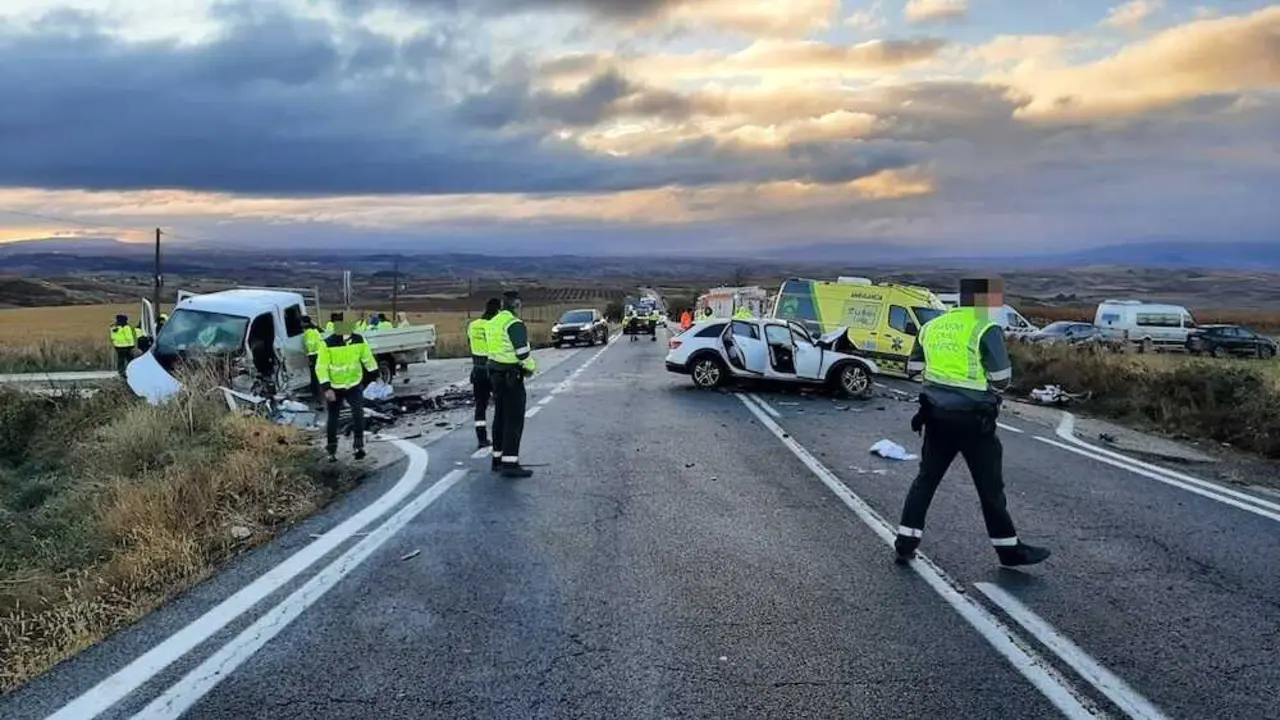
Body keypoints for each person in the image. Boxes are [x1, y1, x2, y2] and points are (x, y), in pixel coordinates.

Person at [893, 277, 1049, 567]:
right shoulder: (985, 329)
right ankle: (1008, 550)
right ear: (987, 303)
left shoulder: (931, 327)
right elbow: (1002, 380)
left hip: (935, 415)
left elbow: (913, 369)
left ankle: (905, 543)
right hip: (975, 420)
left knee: (925, 480)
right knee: (989, 488)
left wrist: (939, 379)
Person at [485, 290, 536, 478]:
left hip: (495, 375)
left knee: (500, 418)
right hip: (511, 376)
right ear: (517, 305)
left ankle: (497, 460)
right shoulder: (514, 324)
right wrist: (530, 368)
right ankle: (510, 463)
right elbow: (522, 353)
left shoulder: (493, 323)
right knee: (514, 421)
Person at [315, 320, 378, 462]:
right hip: (335, 386)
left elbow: (367, 358)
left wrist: (374, 374)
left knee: (358, 412)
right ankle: (331, 449)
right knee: (333, 417)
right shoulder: (327, 344)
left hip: (353, 384)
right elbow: (321, 367)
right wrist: (326, 388)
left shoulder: (359, 340)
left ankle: (359, 446)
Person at [468, 298, 501, 449]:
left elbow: (470, 343)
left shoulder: (473, 325)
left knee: (480, 407)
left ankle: (481, 439)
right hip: (493, 370)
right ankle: (498, 436)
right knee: (501, 405)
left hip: (477, 370)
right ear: (498, 311)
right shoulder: (495, 326)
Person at [302, 315, 325, 400]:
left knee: (315, 378)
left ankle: (319, 396)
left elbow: (310, 347)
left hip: (314, 356)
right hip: (319, 354)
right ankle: (319, 395)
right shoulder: (315, 330)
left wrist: (309, 358)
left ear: (304, 323)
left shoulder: (309, 332)